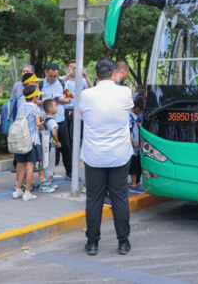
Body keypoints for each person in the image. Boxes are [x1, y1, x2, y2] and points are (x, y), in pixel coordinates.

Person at [79, 58, 134, 256]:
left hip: (94, 156)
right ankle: (123, 242)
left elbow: (83, 117)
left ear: (95, 75)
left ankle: (92, 243)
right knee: (120, 198)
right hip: (119, 155)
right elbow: (127, 112)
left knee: (94, 199)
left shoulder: (86, 94)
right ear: (113, 73)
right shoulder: (125, 92)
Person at [40, 63, 73, 180]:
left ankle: (70, 172)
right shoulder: (40, 84)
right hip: (46, 122)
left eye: (55, 76)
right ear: (45, 73)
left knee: (66, 147)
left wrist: (62, 100)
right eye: (50, 76)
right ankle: (47, 174)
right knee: (47, 149)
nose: (53, 79)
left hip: (60, 119)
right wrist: (46, 101)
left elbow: (70, 98)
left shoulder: (62, 83)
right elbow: (35, 102)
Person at [12, 85, 43, 201]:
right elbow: (38, 123)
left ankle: (17, 191)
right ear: (35, 96)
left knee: (23, 166)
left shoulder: (21, 108)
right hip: (33, 141)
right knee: (30, 167)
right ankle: (27, 193)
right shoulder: (35, 108)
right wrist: (43, 128)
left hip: (22, 141)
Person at [41, 99, 61, 192]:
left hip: (44, 145)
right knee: (50, 165)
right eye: (55, 106)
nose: (56, 108)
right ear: (50, 109)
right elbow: (54, 133)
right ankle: (45, 185)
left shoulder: (43, 118)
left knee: (45, 164)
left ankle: (46, 183)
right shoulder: (52, 120)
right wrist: (57, 142)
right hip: (51, 146)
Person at [128, 96, 145, 194]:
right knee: (133, 166)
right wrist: (134, 142)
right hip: (132, 147)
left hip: (136, 147)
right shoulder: (129, 117)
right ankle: (133, 185)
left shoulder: (135, 118)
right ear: (137, 109)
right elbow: (126, 131)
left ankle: (134, 183)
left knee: (136, 164)